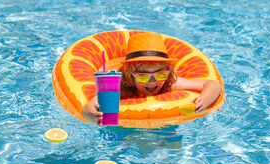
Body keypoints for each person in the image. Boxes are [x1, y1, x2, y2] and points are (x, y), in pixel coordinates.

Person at [82, 32, 222, 125]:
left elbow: (213, 84)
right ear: (130, 75)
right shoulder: (123, 88)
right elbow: (92, 104)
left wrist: (203, 100)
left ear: (168, 73)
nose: (152, 81)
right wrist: (89, 113)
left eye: (160, 75)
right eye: (143, 77)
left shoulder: (169, 84)